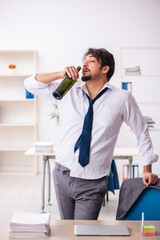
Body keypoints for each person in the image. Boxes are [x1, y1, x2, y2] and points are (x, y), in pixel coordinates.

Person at [24, 48, 158, 220]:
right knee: (67, 230)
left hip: (92, 181)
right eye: (84, 60)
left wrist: (147, 169)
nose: (84, 64)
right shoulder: (67, 90)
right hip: (62, 173)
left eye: (91, 60)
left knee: (84, 233)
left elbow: (142, 132)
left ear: (105, 69)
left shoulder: (122, 98)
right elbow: (30, 84)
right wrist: (59, 74)